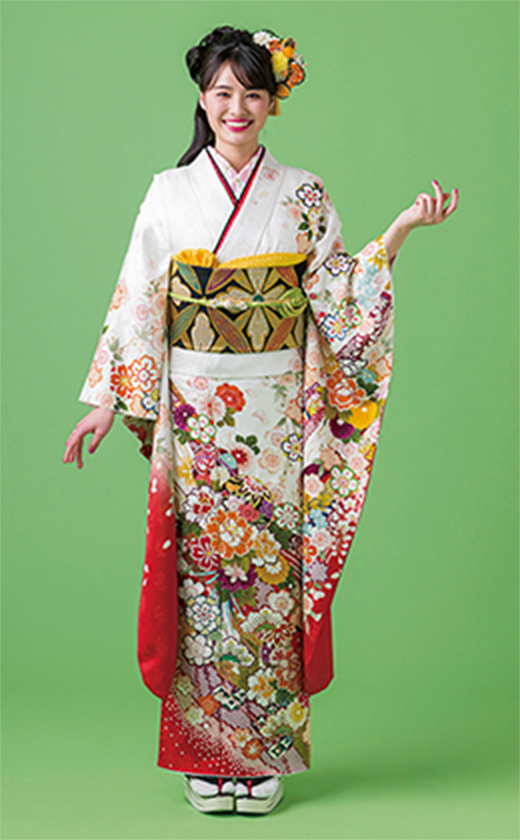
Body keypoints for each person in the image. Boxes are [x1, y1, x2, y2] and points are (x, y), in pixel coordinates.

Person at [63, 26, 458, 815]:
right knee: (203, 581)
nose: (236, 107)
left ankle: (263, 757)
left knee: (270, 578)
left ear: (273, 101)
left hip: (274, 416)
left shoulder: (303, 193)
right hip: (193, 411)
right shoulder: (169, 192)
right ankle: (206, 757)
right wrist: (109, 399)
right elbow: (140, 297)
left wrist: (398, 233)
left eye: (252, 92)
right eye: (222, 92)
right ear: (202, 99)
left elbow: (336, 296)